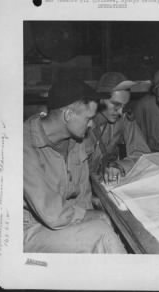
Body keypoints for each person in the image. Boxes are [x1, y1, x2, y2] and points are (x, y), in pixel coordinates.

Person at [23, 78, 127, 253]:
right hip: (27, 230)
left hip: (62, 220)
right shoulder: (23, 144)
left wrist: (93, 213)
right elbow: (52, 213)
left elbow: (82, 194)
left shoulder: (75, 139)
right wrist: (90, 216)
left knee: (108, 224)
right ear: (68, 115)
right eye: (89, 118)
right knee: (102, 234)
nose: (92, 124)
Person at [85, 72, 151, 184]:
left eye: (124, 106)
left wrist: (119, 166)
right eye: (116, 104)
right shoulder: (81, 122)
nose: (120, 112)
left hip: (107, 183)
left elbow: (142, 154)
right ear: (100, 98)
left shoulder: (124, 117)